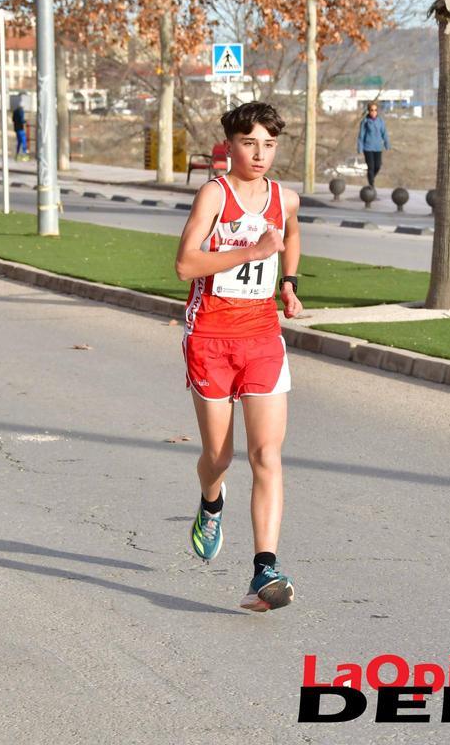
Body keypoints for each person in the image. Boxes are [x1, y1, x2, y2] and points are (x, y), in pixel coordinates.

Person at [174, 101, 303, 613]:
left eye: (269, 144)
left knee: (266, 455)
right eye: (250, 143)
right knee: (220, 458)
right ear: (229, 144)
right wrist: (251, 251)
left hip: (262, 336)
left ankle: (263, 571)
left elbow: (290, 234)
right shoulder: (215, 194)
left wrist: (288, 282)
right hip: (209, 336)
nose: (261, 154)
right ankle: (211, 502)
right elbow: (186, 263)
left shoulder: (284, 198)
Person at [356, 101, 390, 188]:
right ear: (369, 111)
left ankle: (371, 178)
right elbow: (361, 135)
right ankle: (371, 185)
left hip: (378, 147)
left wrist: (387, 144)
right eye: (372, 110)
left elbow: (384, 133)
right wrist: (360, 148)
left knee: (377, 166)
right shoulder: (365, 122)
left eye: (375, 110)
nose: (374, 112)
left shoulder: (380, 121)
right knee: (370, 167)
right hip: (368, 148)